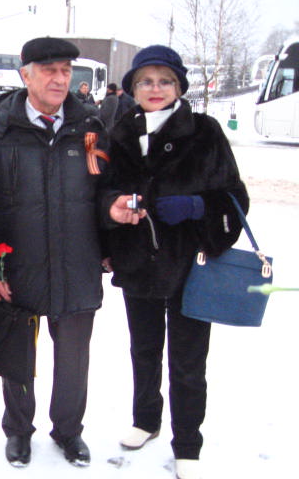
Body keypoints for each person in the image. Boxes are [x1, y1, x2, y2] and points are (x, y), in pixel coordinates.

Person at [101, 45, 248, 479]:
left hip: (190, 264)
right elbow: (104, 192)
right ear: (133, 88)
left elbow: (236, 198)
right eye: (145, 81)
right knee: (143, 350)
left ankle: (187, 443)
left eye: (165, 81)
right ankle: (146, 419)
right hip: (138, 261)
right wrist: (113, 212)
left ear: (179, 87)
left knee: (187, 361)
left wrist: (199, 206)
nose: (155, 89)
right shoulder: (120, 132)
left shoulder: (205, 132)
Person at [0, 37, 109, 469]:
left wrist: (112, 249)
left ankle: (69, 431)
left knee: (74, 361)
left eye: (65, 70)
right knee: (18, 358)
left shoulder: (89, 130)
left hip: (77, 265)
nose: (60, 79)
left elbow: (104, 192)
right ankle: (18, 431)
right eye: (49, 71)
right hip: (18, 269)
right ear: (25, 76)